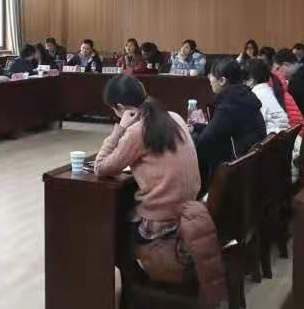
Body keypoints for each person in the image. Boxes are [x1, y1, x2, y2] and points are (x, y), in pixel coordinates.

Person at [95, 74, 201, 282]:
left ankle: (134, 284)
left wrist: (120, 129)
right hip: (188, 209)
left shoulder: (136, 131)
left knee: (110, 227)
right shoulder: (174, 117)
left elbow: (100, 167)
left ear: (120, 108)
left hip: (161, 220)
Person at [192, 57, 265, 186]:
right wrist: (196, 127)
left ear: (222, 81)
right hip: (252, 162)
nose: (209, 78)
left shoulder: (229, 105)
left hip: (238, 168)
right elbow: (218, 129)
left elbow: (205, 141)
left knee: (195, 146)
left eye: (211, 74)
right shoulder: (243, 95)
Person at [244, 59, 288, 134]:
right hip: (286, 134)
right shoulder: (272, 91)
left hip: (271, 138)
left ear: (251, 79)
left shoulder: (254, 96)